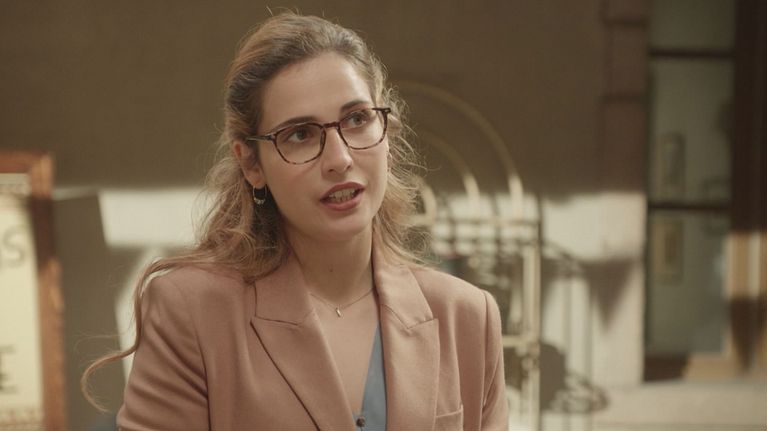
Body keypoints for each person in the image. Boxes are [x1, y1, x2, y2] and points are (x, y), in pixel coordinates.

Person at [83, 11, 509, 431]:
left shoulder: (467, 316)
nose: (340, 159)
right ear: (251, 164)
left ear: (387, 135)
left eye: (357, 119)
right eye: (300, 134)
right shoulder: (192, 312)